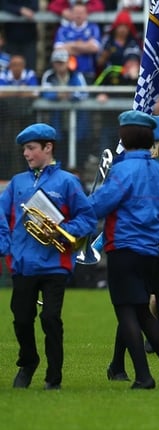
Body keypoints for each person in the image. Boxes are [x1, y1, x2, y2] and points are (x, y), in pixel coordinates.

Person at [89, 110, 159, 390]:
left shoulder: (123, 169)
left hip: (123, 246)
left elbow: (100, 205)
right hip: (149, 250)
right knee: (143, 312)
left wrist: (79, 209)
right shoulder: (158, 170)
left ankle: (143, 376)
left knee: (127, 312)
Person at [0, 123, 97, 390]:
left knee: (50, 318)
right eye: (24, 149)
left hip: (56, 263)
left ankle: (53, 376)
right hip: (22, 264)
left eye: (31, 148)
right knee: (21, 318)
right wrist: (4, 246)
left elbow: (87, 218)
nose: (26, 154)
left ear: (48, 148)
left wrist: (64, 230)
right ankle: (28, 361)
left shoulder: (67, 181)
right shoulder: (17, 183)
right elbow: (2, 217)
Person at [53, 2, 101, 83]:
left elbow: (94, 48)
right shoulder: (63, 29)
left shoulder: (93, 28)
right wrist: (83, 45)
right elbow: (58, 50)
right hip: (68, 74)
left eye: (81, 13)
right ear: (71, 14)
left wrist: (70, 45)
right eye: (76, 13)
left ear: (86, 14)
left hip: (87, 72)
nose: (79, 16)